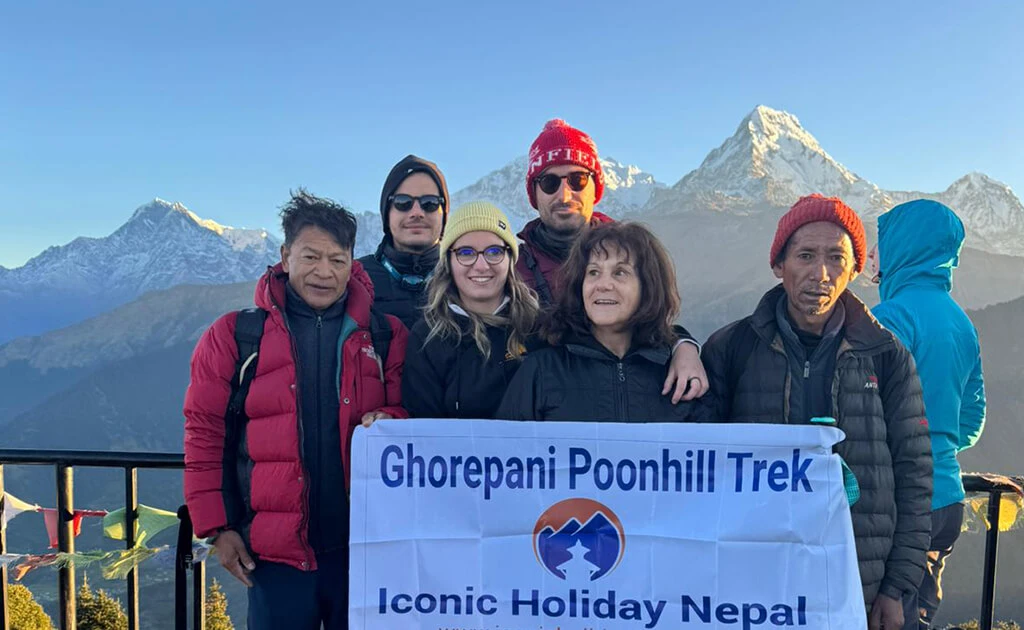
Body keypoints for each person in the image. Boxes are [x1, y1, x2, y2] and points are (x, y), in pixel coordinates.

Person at [700, 194, 932, 630]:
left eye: (836, 258)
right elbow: (699, 466)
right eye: (805, 256)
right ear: (779, 265)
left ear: (855, 269)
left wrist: (897, 586)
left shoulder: (885, 355)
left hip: (858, 582)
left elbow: (914, 473)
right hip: (754, 582)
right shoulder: (732, 349)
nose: (820, 274)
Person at [183, 191, 408, 630]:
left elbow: (410, 415)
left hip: (363, 554)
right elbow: (204, 432)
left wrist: (392, 421)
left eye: (337, 260)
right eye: (311, 256)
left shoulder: (386, 336)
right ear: (286, 256)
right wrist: (217, 529)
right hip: (273, 559)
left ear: (352, 264)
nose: (324, 272)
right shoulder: (235, 335)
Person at [516, 118, 707, 403]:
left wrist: (682, 344)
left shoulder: (634, 255)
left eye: (578, 180)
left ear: (596, 187)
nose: (564, 194)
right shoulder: (509, 267)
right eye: (549, 182)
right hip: (544, 403)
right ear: (534, 192)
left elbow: (654, 319)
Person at [871, 199, 986, 629]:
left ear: (904, 245)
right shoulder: (961, 323)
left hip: (901, 504)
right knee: (916, 617)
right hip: (948, 501)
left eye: (881, 243)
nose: (872, 256)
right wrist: (938, 439)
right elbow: (970, 422)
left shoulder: (890, 316)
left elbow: (866, 412)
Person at [498, 222, 703, 422]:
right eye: (593, 272)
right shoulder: (541, 370)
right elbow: (505, 443)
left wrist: (684, 346)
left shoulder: (682, 375)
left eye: (620, 272)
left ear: (648, 285)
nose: (603, 285)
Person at [403, 201, 539, 418]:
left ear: (510, 260)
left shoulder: (538, 328)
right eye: (466, 253)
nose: (481, 265)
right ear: (448, 262)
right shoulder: (428, 337)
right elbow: (423, 428)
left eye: (494, 251)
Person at [358, 154, 450, 329]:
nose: (417, 213)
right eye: (403, 202)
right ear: (387, 213)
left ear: (444, 214)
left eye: (429, 203)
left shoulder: (465, 278)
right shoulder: (354, 279)